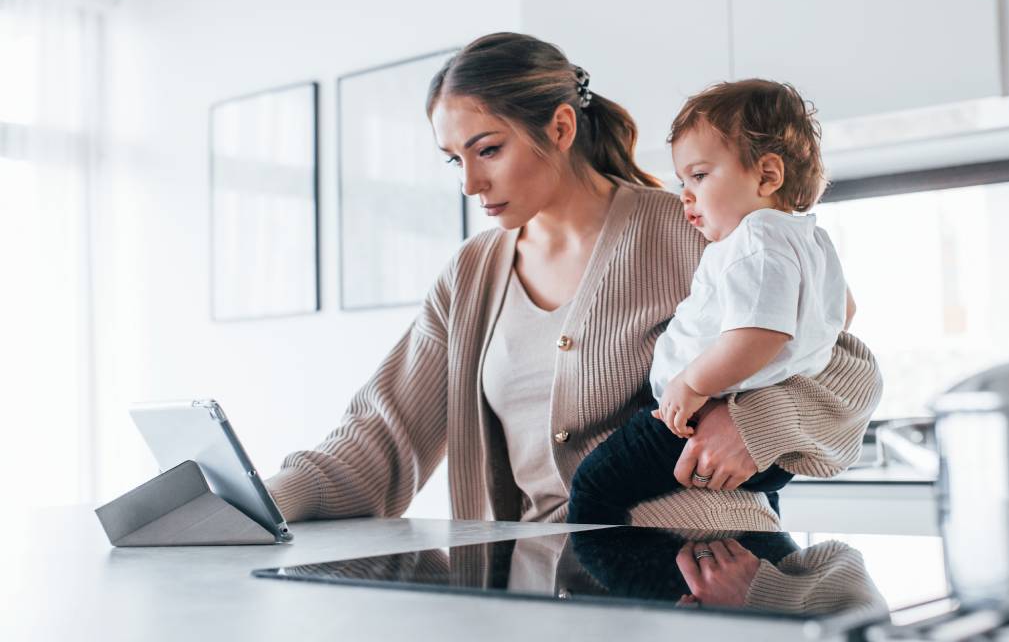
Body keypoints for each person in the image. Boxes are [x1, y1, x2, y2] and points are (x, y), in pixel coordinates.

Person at [264, 32, 882, 531]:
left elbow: (849, 366)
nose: (468, 184)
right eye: (455, 160)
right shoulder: (470, 275)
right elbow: (381, 439)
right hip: (536, 592)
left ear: (560, 129)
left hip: (700, 571)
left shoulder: (695, 227)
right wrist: (257, 500)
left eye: (488, 150)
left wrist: (754, 423)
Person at [566, 80, 854, 525]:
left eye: (699, 175)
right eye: (683, 180)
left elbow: (760, 334)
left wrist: (693, 383)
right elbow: (842, 313)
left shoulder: (754, 239)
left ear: (767, 175)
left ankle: (614, 587)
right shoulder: (812, 239)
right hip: (763, 443)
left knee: (592, 488)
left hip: (695, 420)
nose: (685, 193)